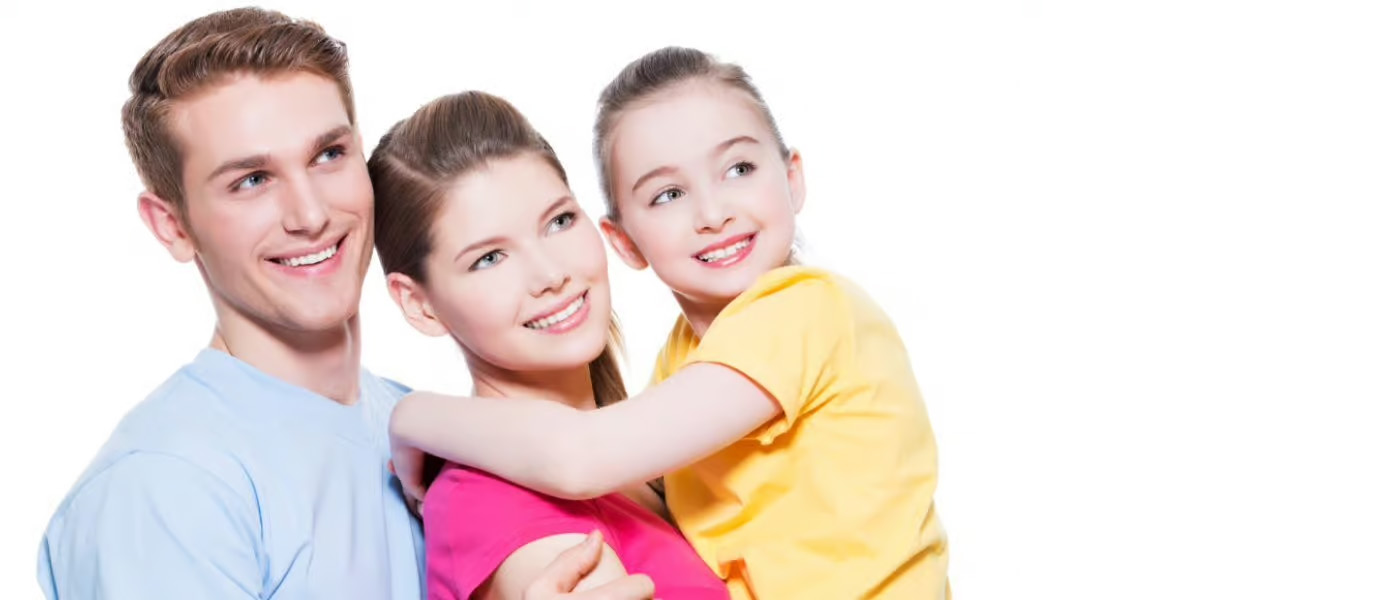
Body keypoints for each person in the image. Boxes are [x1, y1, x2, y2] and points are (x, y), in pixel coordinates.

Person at [34, 7, 653, 599]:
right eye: (251, 181)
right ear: (172, 226)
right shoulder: (163, 485)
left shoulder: (427, 431)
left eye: (328, 155)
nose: (310, 214)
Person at [390, 47, 950, 598]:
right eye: (669, 194)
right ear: (624, 240)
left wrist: (413, 414)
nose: (714, 214)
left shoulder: (800, 310)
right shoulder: (683, 362)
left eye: (558, 221)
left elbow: (583, 455)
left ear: (792, 176)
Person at [368, 89, 731, 600]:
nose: (550, 274)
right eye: (489, 258)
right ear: (419, 304)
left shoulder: (651, 448)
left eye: (559, 221)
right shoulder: (489, 499)